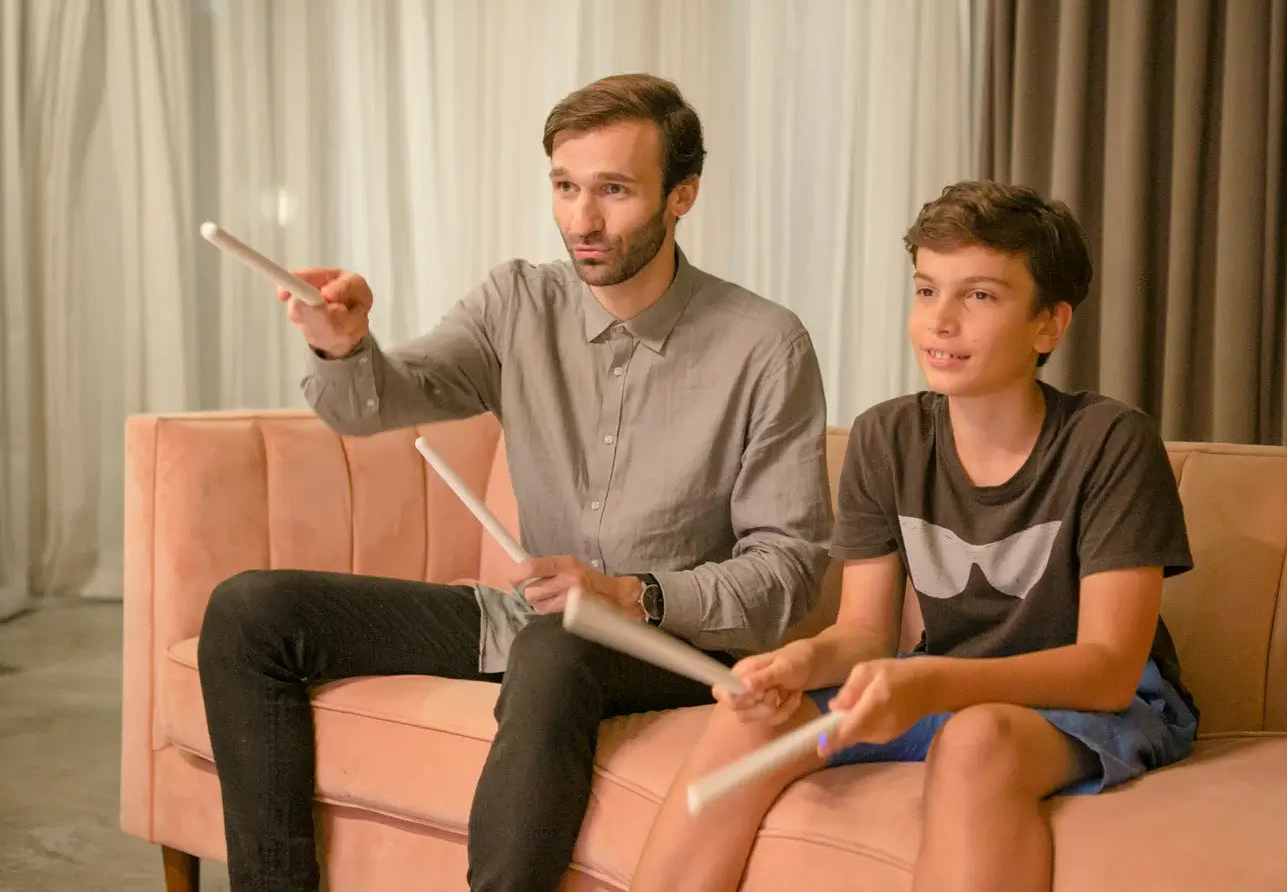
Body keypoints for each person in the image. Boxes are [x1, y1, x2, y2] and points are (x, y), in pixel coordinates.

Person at [195, 73, 833, 892]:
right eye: (565, 187)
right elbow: (377, 401)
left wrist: (628, 592)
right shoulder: (517, 301)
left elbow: (787, 574)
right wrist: (342, 344)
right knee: (251, 612)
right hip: (533, 622)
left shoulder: (766, 346)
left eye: (613, 190)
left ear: (682, 196)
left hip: (670, 642)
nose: (582, 220)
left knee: (558, 646)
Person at [632, 180, 1198, 892]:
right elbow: (864, 634)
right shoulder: (886, 436)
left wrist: (931, 681)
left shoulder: (1109, 440)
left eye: (979, 296)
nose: (941, 321)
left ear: (1049, 325)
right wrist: (798, 661)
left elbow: (1108, 669)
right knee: (747, 724)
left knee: (976, 739)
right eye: (927, 290)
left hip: (1097, 704)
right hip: (939, 685)